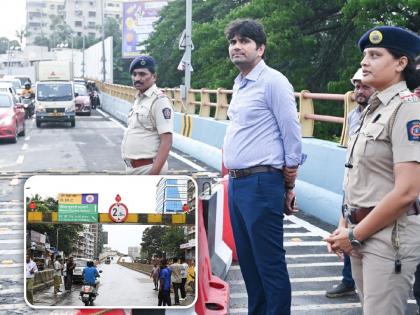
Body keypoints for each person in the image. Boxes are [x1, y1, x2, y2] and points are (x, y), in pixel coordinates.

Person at [325, 26, 420, 315]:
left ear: (401, 64)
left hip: (389, 235)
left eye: (375, 55)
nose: (365, 61)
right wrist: (345, 226)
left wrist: (353, 235)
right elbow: (356, 175)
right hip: (361, 230)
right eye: (365, 55)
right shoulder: (371, 109)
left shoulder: (408, 110)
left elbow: (407, 192)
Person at [223, 19, 304, 315]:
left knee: (269, 262)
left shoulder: (273, 82)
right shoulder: (241, 83)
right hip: (237, 183)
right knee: (248, 261)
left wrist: (289, 181)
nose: (236, 46)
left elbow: (291, 131)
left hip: (261, 183)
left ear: (260, 48)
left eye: (244, 41)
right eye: (233, 41)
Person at [326, 68, 376, 298]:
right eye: (356, 86)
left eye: (365, 86)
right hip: (352, 184)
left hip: (376, 189)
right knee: (346, 232)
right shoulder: (354, 115)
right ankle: (348, 280)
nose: (359, 91)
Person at [121, 55, 174, 175]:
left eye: (142, 74)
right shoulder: (139, 99)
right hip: (132, 168)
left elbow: (167, 141)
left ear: (154, 77)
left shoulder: (159, 100)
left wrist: (153, 174)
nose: (137, 78)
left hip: (148, 169)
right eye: (134, 74)